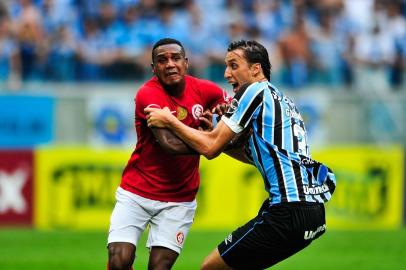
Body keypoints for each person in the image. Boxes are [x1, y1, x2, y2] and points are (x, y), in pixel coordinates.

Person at [145, 40, 336, 270]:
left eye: (233, 66)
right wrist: (213, 135)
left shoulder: (253, 90)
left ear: (256, 69)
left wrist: (170, 120)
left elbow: (210, 148)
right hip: (312, 211)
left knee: (211, 268)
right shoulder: (283, 100)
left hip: (288, 210)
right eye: (226, 66)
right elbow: (249, 156)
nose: (226, 74)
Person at [107, 38, 230, 270]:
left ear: (186, 63)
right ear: (153, 68)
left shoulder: (205, 90)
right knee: (119, 260)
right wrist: (209, 140)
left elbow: (239, 112)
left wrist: (224, 114)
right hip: (137, 192)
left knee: (159, 267)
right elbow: (170, 145)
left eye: (175, 58)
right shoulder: (147, 94)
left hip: (179, 199)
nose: (170, 64)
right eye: (162, 60)